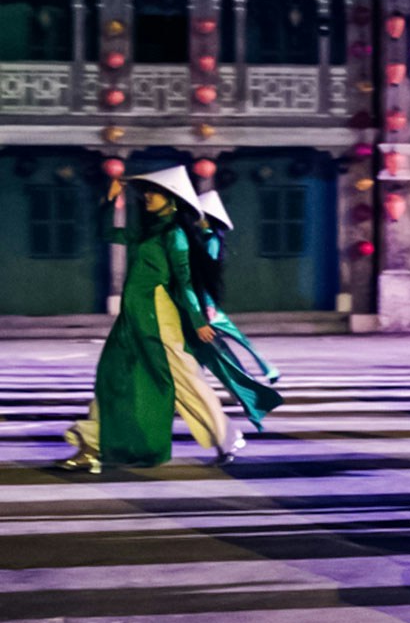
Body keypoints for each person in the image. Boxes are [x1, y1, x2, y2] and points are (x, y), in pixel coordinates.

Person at [61, 167, 270, 471]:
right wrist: (108, 202)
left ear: (171, 198)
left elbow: (184, 281)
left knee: (185, 383)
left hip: (160, 320)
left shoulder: (175, 235)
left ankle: (226, 436)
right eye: (146, 191)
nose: (147, 196)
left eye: (154, 191)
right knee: (113, 377)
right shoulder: (146, 232)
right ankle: (91, 444)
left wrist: (198, 320)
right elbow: (106, 232)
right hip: (132, 317)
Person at [193, 190, 281, 385]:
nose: (194, 219)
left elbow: (208, 274)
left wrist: (207, 304)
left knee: (230, 342)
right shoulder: (208, 238)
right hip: (206, 302)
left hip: (206, 304)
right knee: (225, 344)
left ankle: (261, 373)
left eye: (197, 215)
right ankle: (259, 373)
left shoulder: (210, 240)